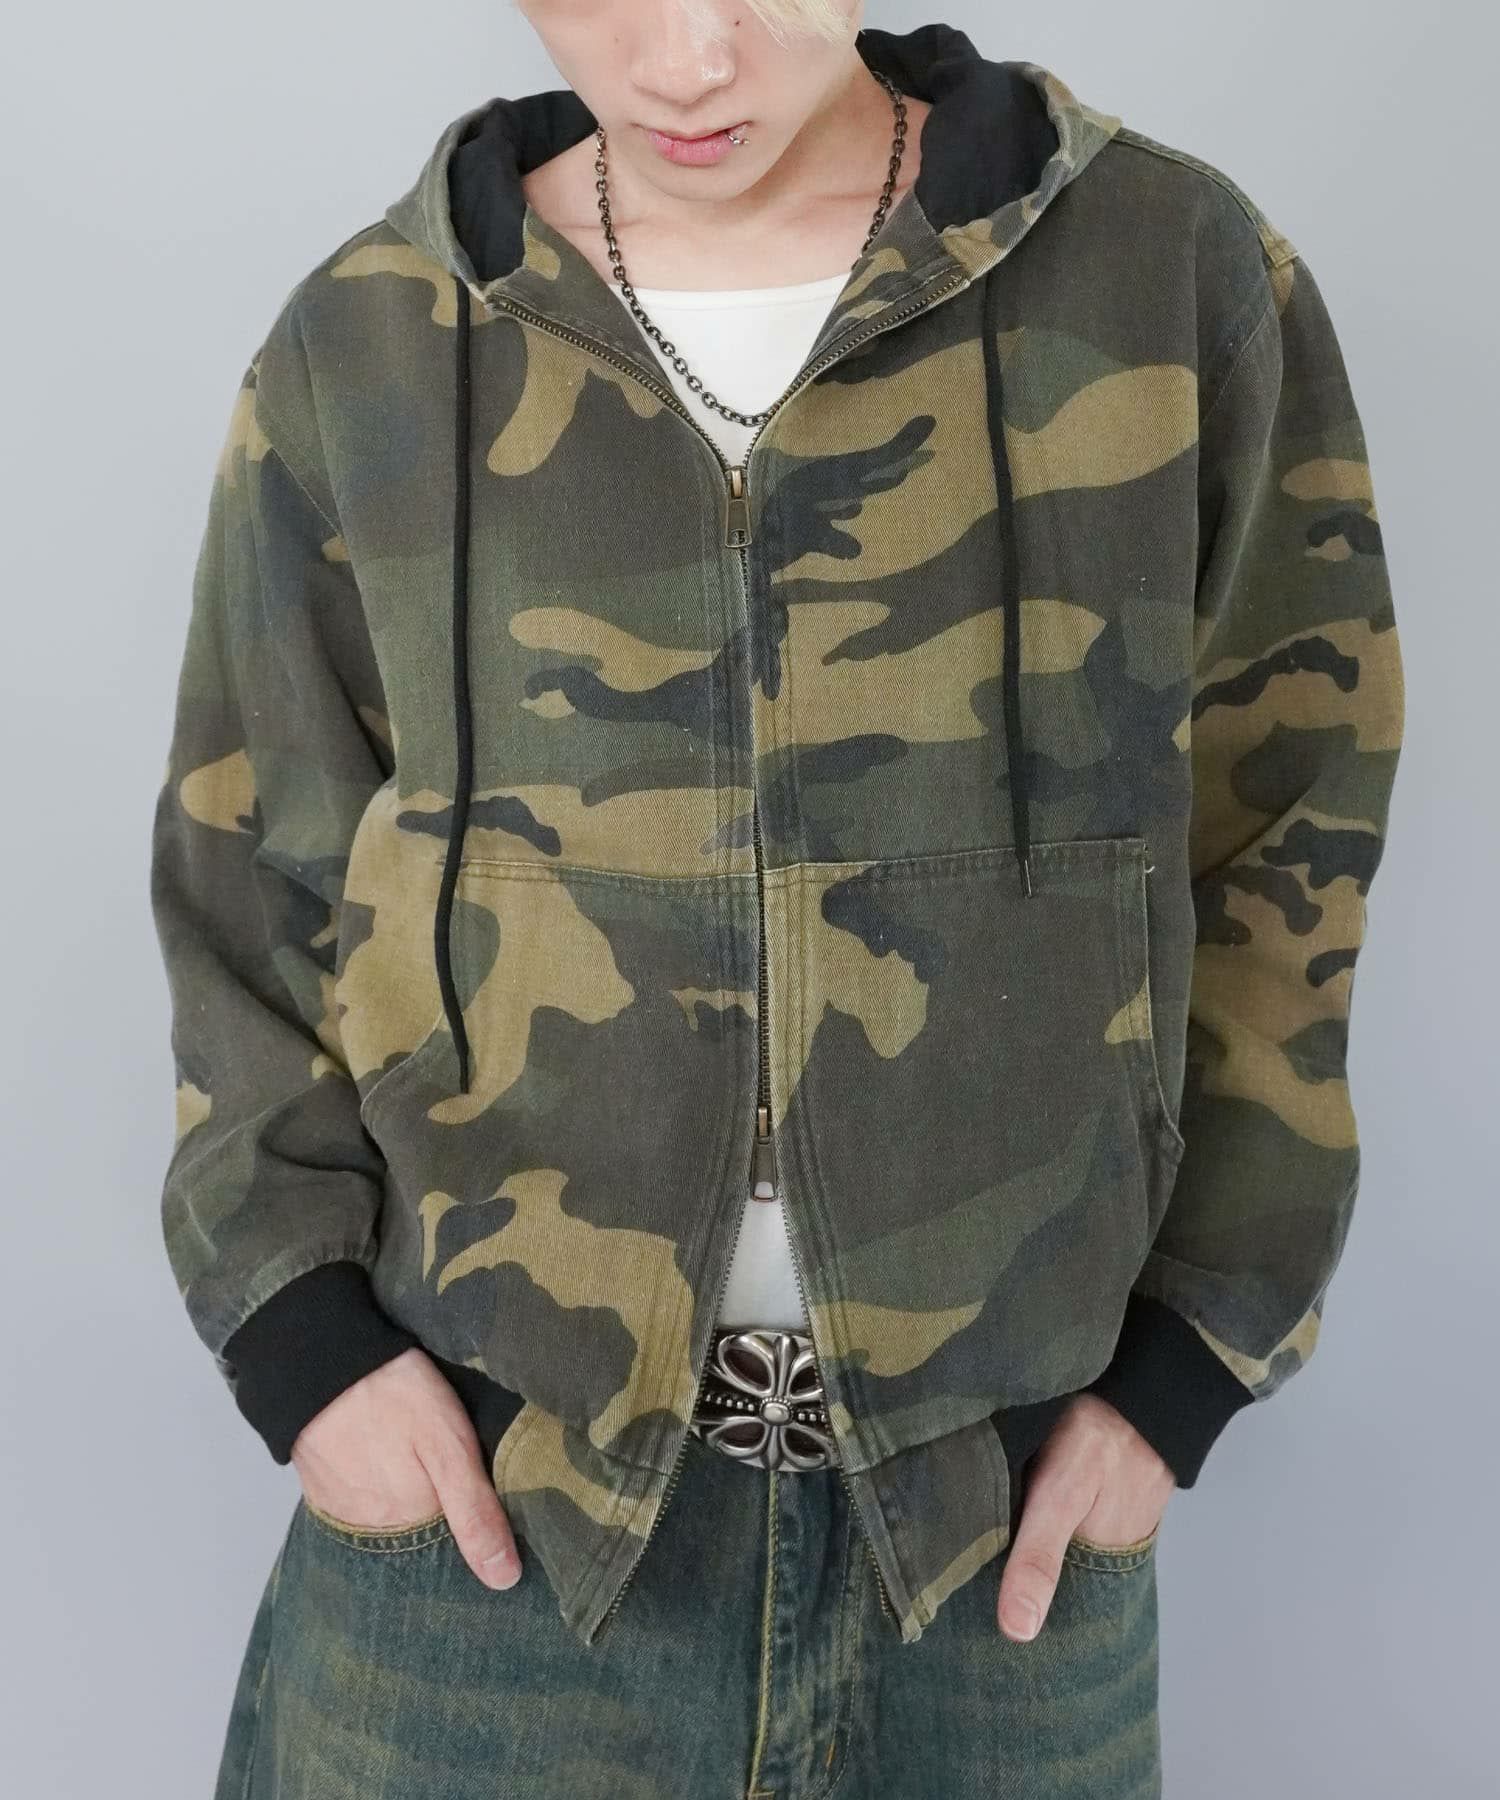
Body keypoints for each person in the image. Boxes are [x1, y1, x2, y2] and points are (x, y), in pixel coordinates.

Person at [148, 3, 1406, 1794]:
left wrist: (1189, 1362)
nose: (686, 60)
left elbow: (1289, 826)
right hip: (494, 1526)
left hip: (991, 1540)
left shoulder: (1171, 274)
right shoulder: (374, 335)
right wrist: (306, 1345)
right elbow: (253, 858)